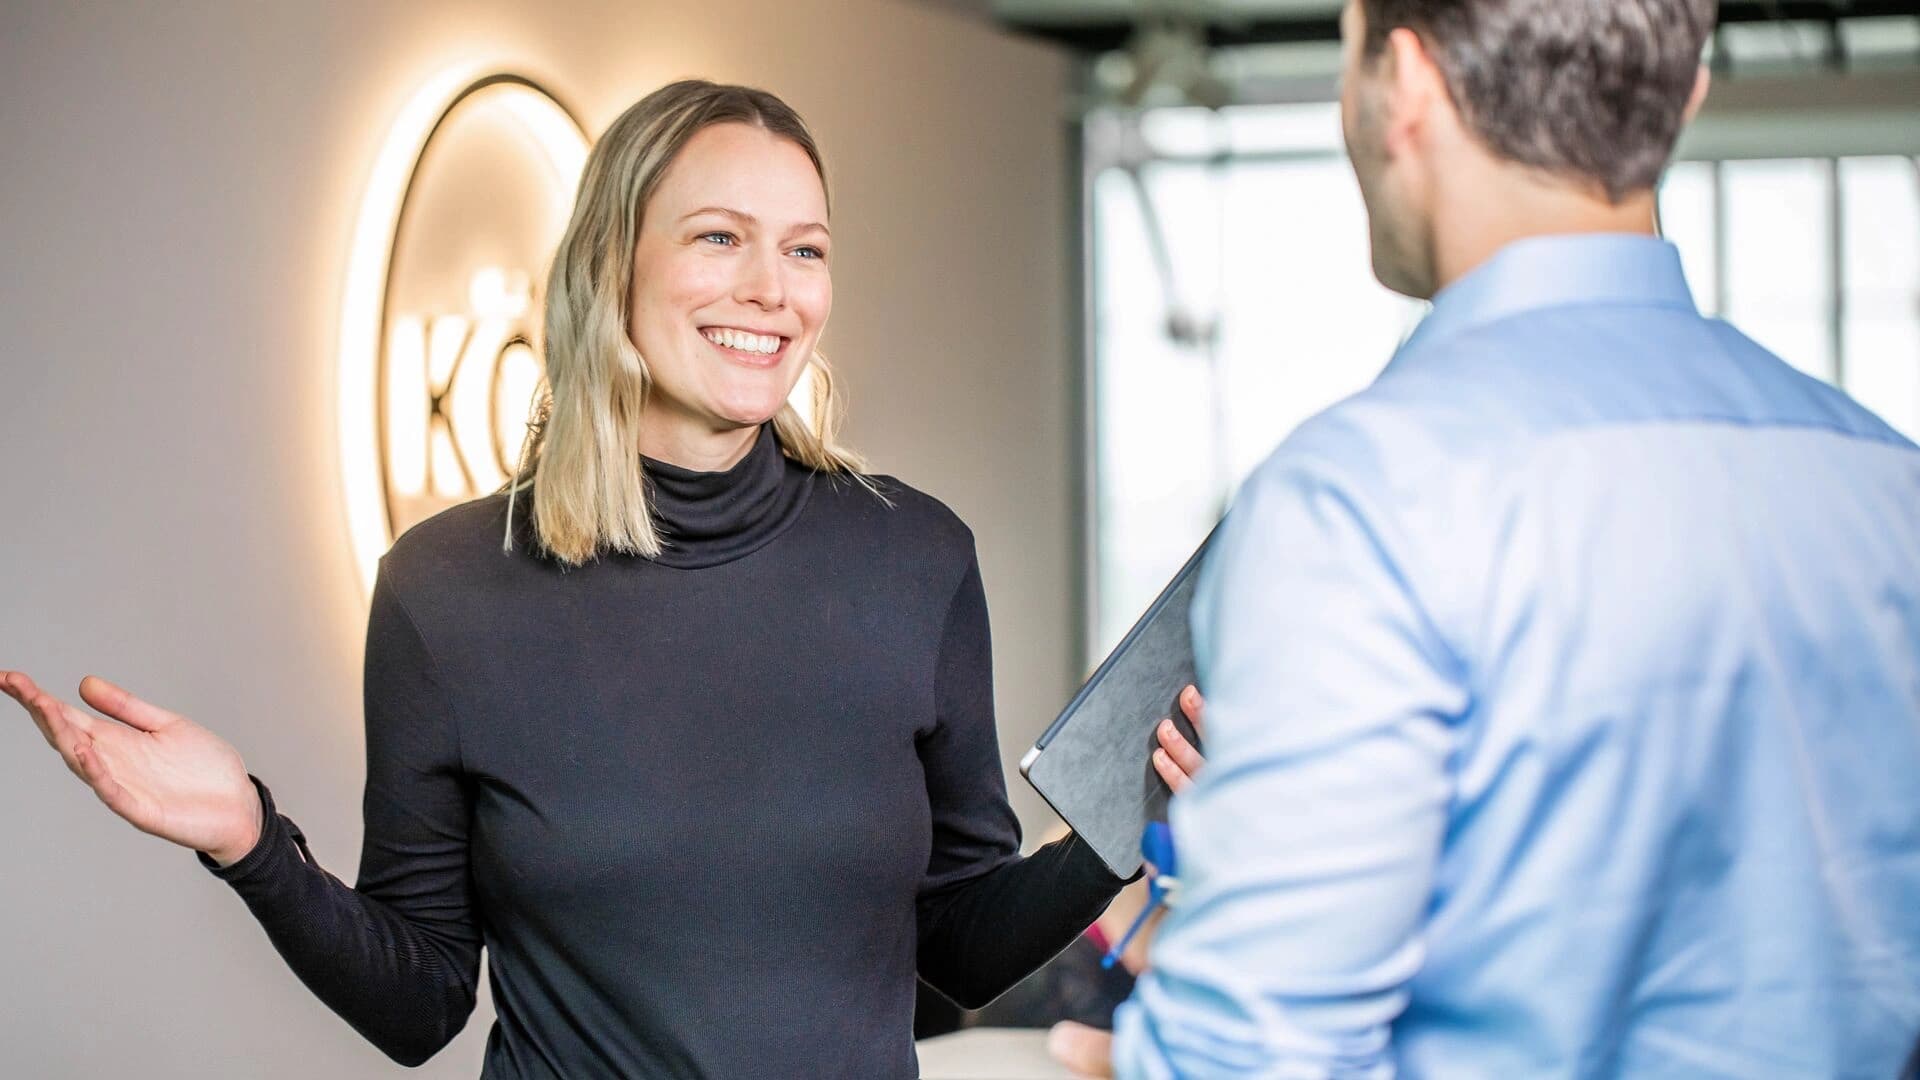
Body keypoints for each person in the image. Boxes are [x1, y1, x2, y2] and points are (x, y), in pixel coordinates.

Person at [3, 80, 1207, 1078]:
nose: (771, 290)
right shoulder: (448, 590)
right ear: (609, 264)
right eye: (719, 236)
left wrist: (1122, 822)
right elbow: (423, 1002)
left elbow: (957, 944)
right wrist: (250, 839)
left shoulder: (915, 556)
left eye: (805, 250)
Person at [1112, 1, 1920, 1076]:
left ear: (1402, 83)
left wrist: (1253, 880)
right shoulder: (1886, 479)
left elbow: (1252, 1060)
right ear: (1684, 97)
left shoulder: (1363, 496)